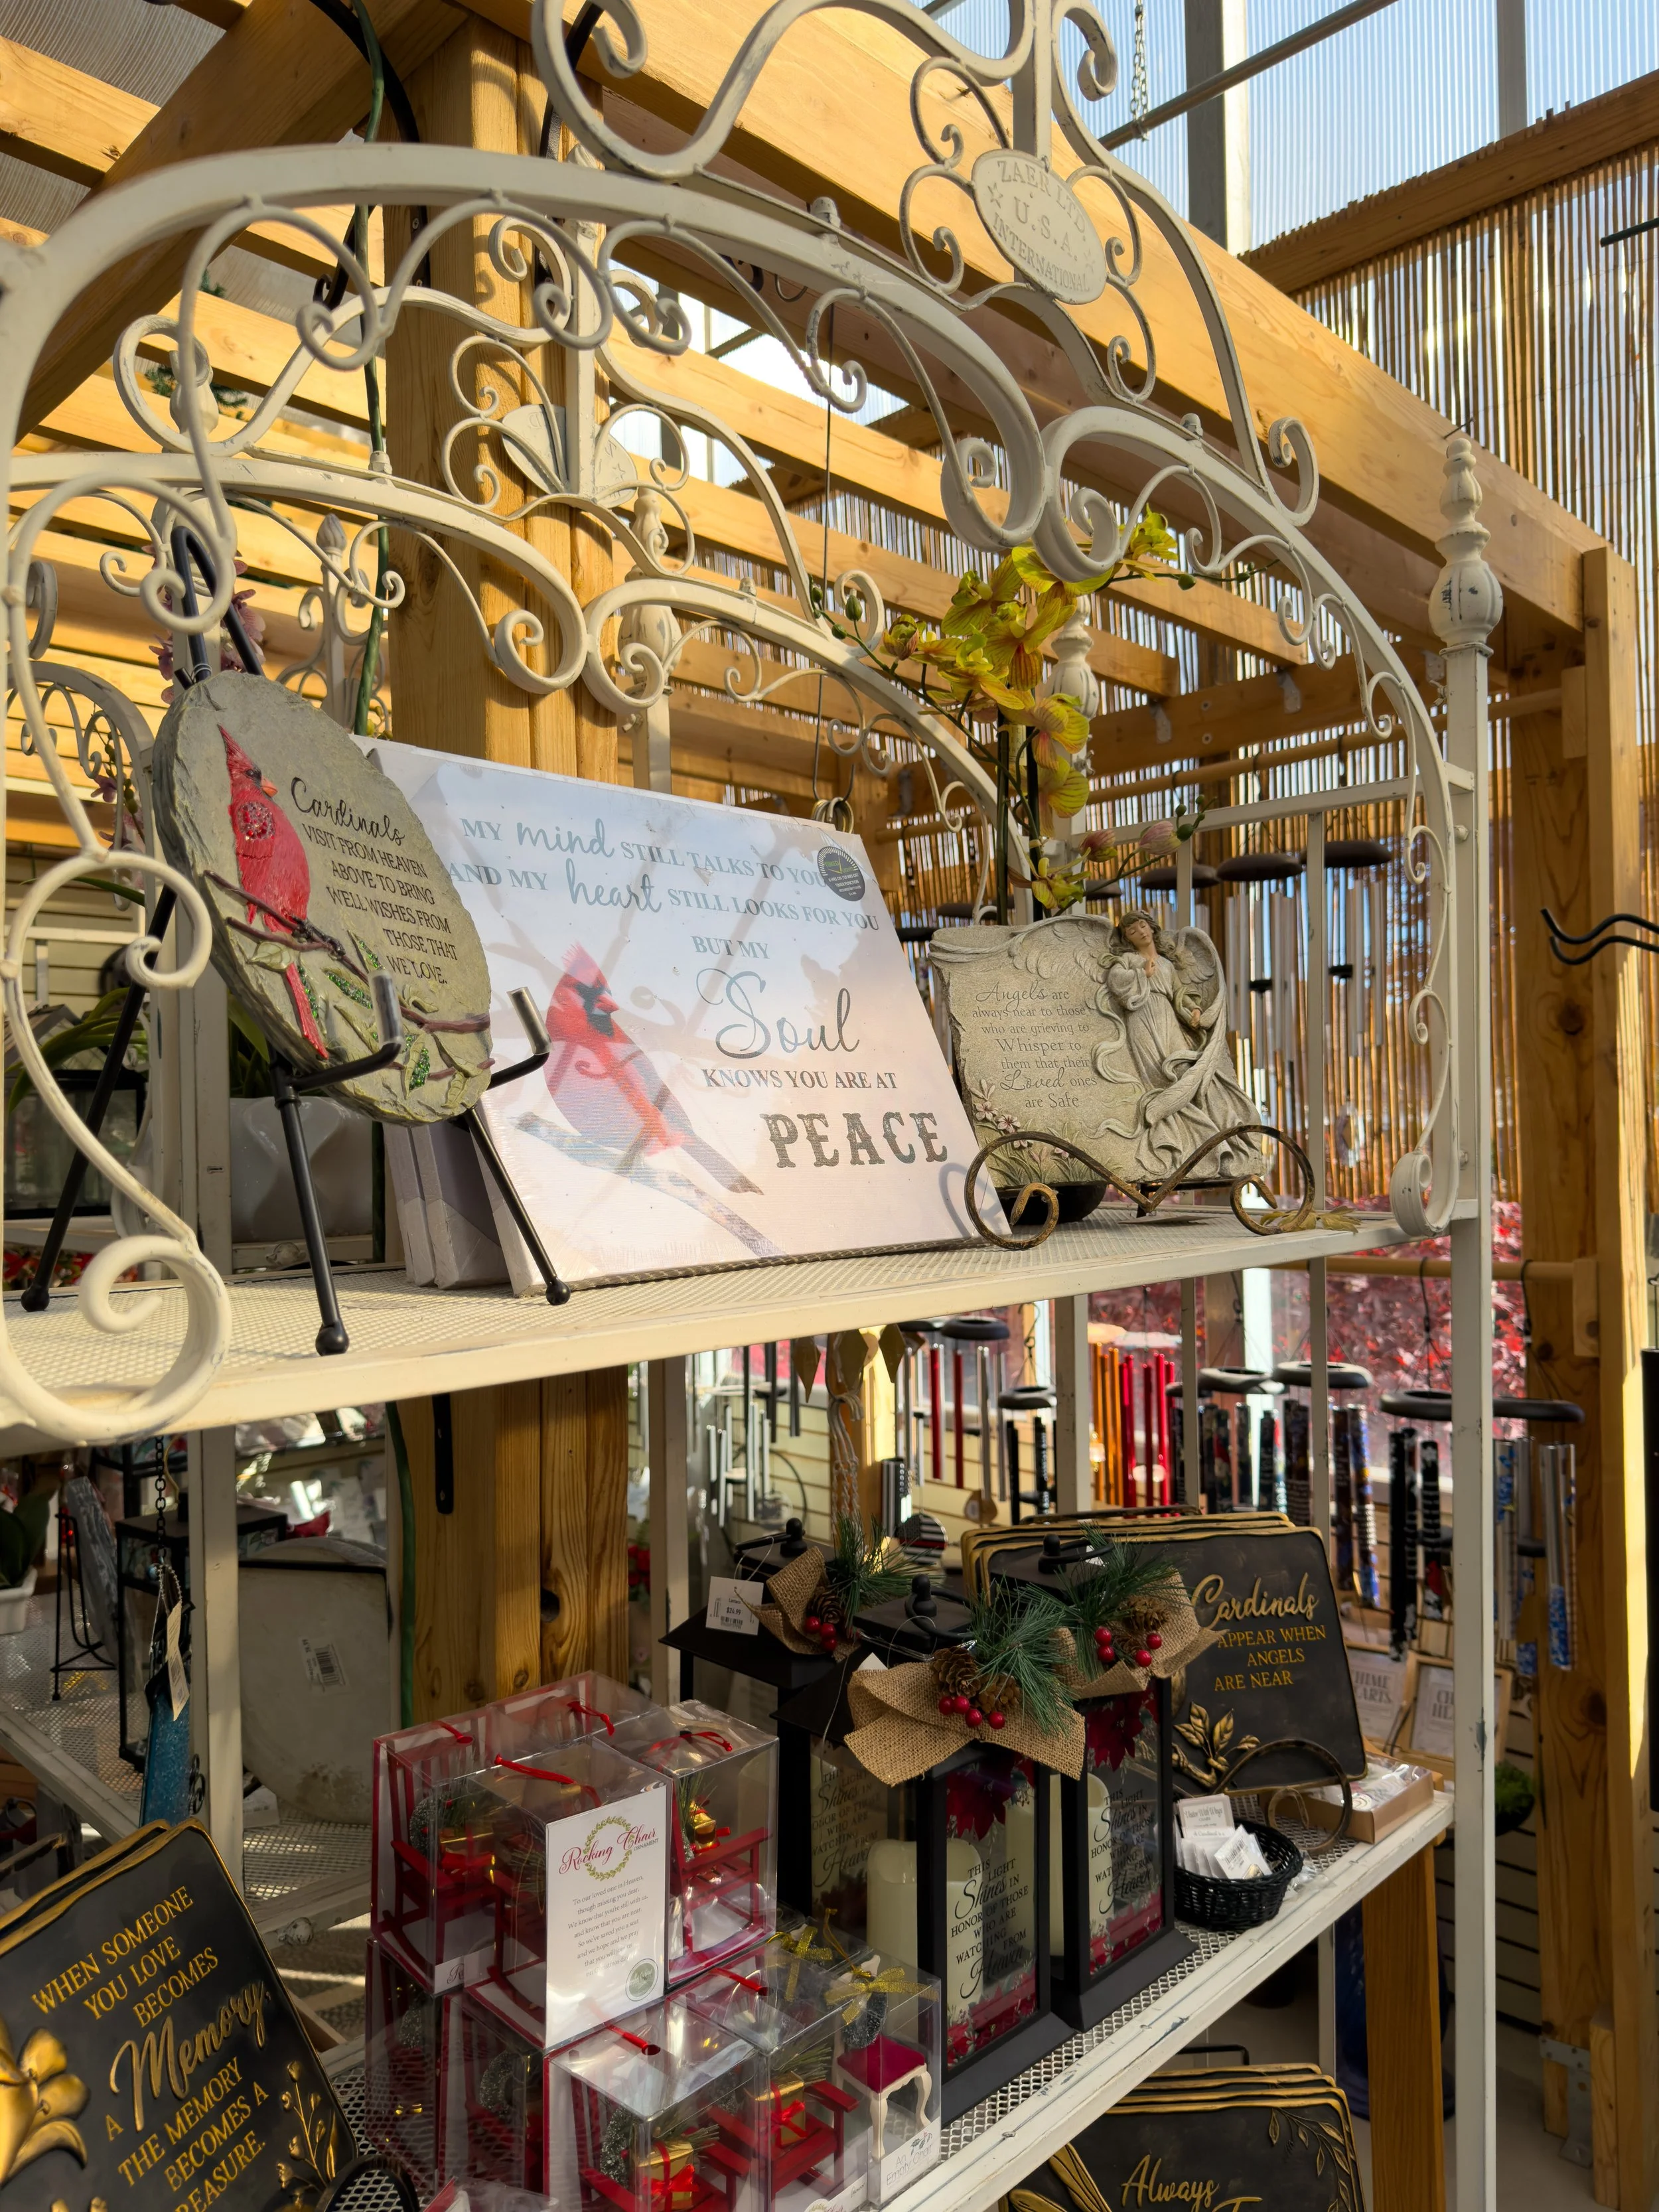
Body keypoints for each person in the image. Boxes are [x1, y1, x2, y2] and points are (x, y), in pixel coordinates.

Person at [1101, 908, 1262, 1181]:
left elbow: (1179, 994)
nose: (1139, 932)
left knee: (1183, 1072)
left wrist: (1194, 1010)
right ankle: (1192, 1145)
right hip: (1140, 1019)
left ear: (1151, 928)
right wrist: (1142, 975)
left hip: (1167, 1017)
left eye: (1142, 926)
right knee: (1159, 1081)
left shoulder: (1166, 964)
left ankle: (1210, 1142)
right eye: (1131, 930)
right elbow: (1117, 983)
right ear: (1128, 939)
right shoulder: (1129, 960)